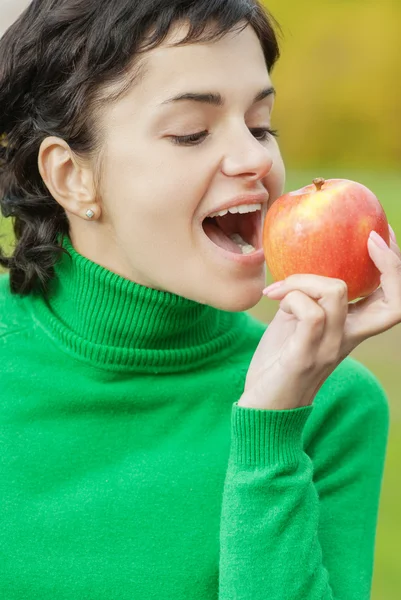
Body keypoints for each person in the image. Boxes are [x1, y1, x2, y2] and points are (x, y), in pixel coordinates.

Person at [0, 1, 400, 598]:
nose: (257, 159)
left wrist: (270, 427)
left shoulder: (333, 408)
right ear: (71, 176)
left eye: (261, 125)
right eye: (191, 131)